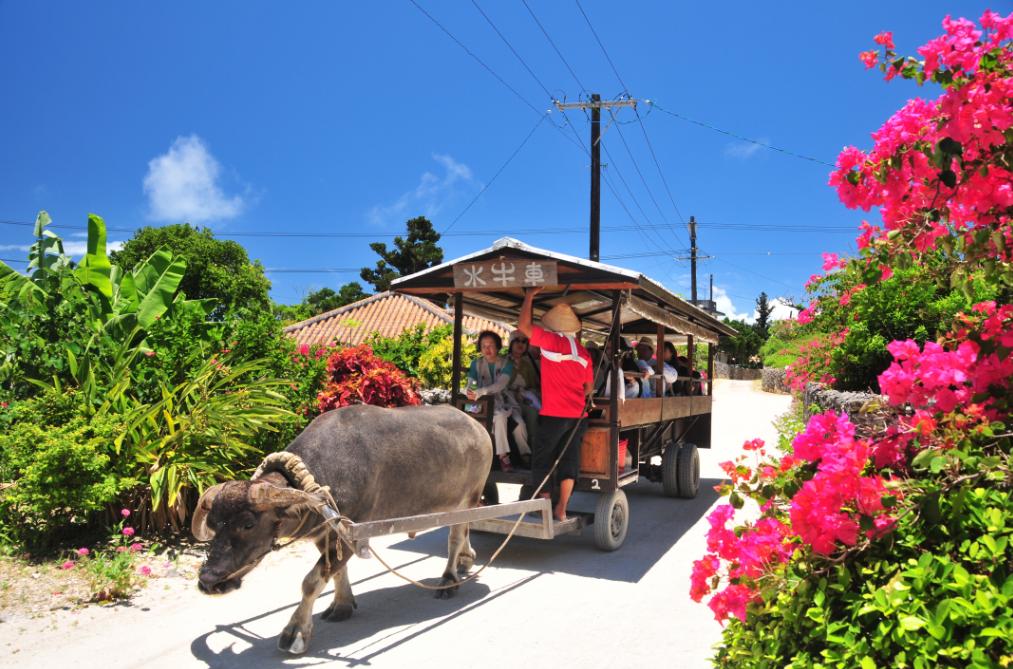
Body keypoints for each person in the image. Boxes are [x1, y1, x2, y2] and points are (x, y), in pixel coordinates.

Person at [518, 288, 594, 522]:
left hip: (553, 415)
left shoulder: (551, 341)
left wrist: (529, 296)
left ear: (554, 327)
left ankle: (544, 507)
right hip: (577, 417)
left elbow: (524, 327)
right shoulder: (583, 354)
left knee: (542, 460)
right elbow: (588, 388)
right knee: (569, 462)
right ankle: (561, 509)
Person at [465, 330, 530, 472]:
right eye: (483, 346)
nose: (487, 349)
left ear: (498, 347)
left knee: (518, 424)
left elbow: (501, 385)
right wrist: (471, 391)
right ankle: (502, 457)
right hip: (480, 403)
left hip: (504, 401)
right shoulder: (476, 364)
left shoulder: (507, 364)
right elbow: (471, 383)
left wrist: (481, 391)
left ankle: (522, 455)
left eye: (491, 345)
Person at [506, 329, 540, 461]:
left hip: (524, 400)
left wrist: (526, 394)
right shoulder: (503, 362)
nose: (521, 344)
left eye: (524, 341)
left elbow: (533, 385)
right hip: (508, 402)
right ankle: (525, 455)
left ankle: (534, 452)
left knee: (533, 414)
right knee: (518, 422)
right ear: (511, 343)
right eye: (517, 341)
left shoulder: (528, 364)